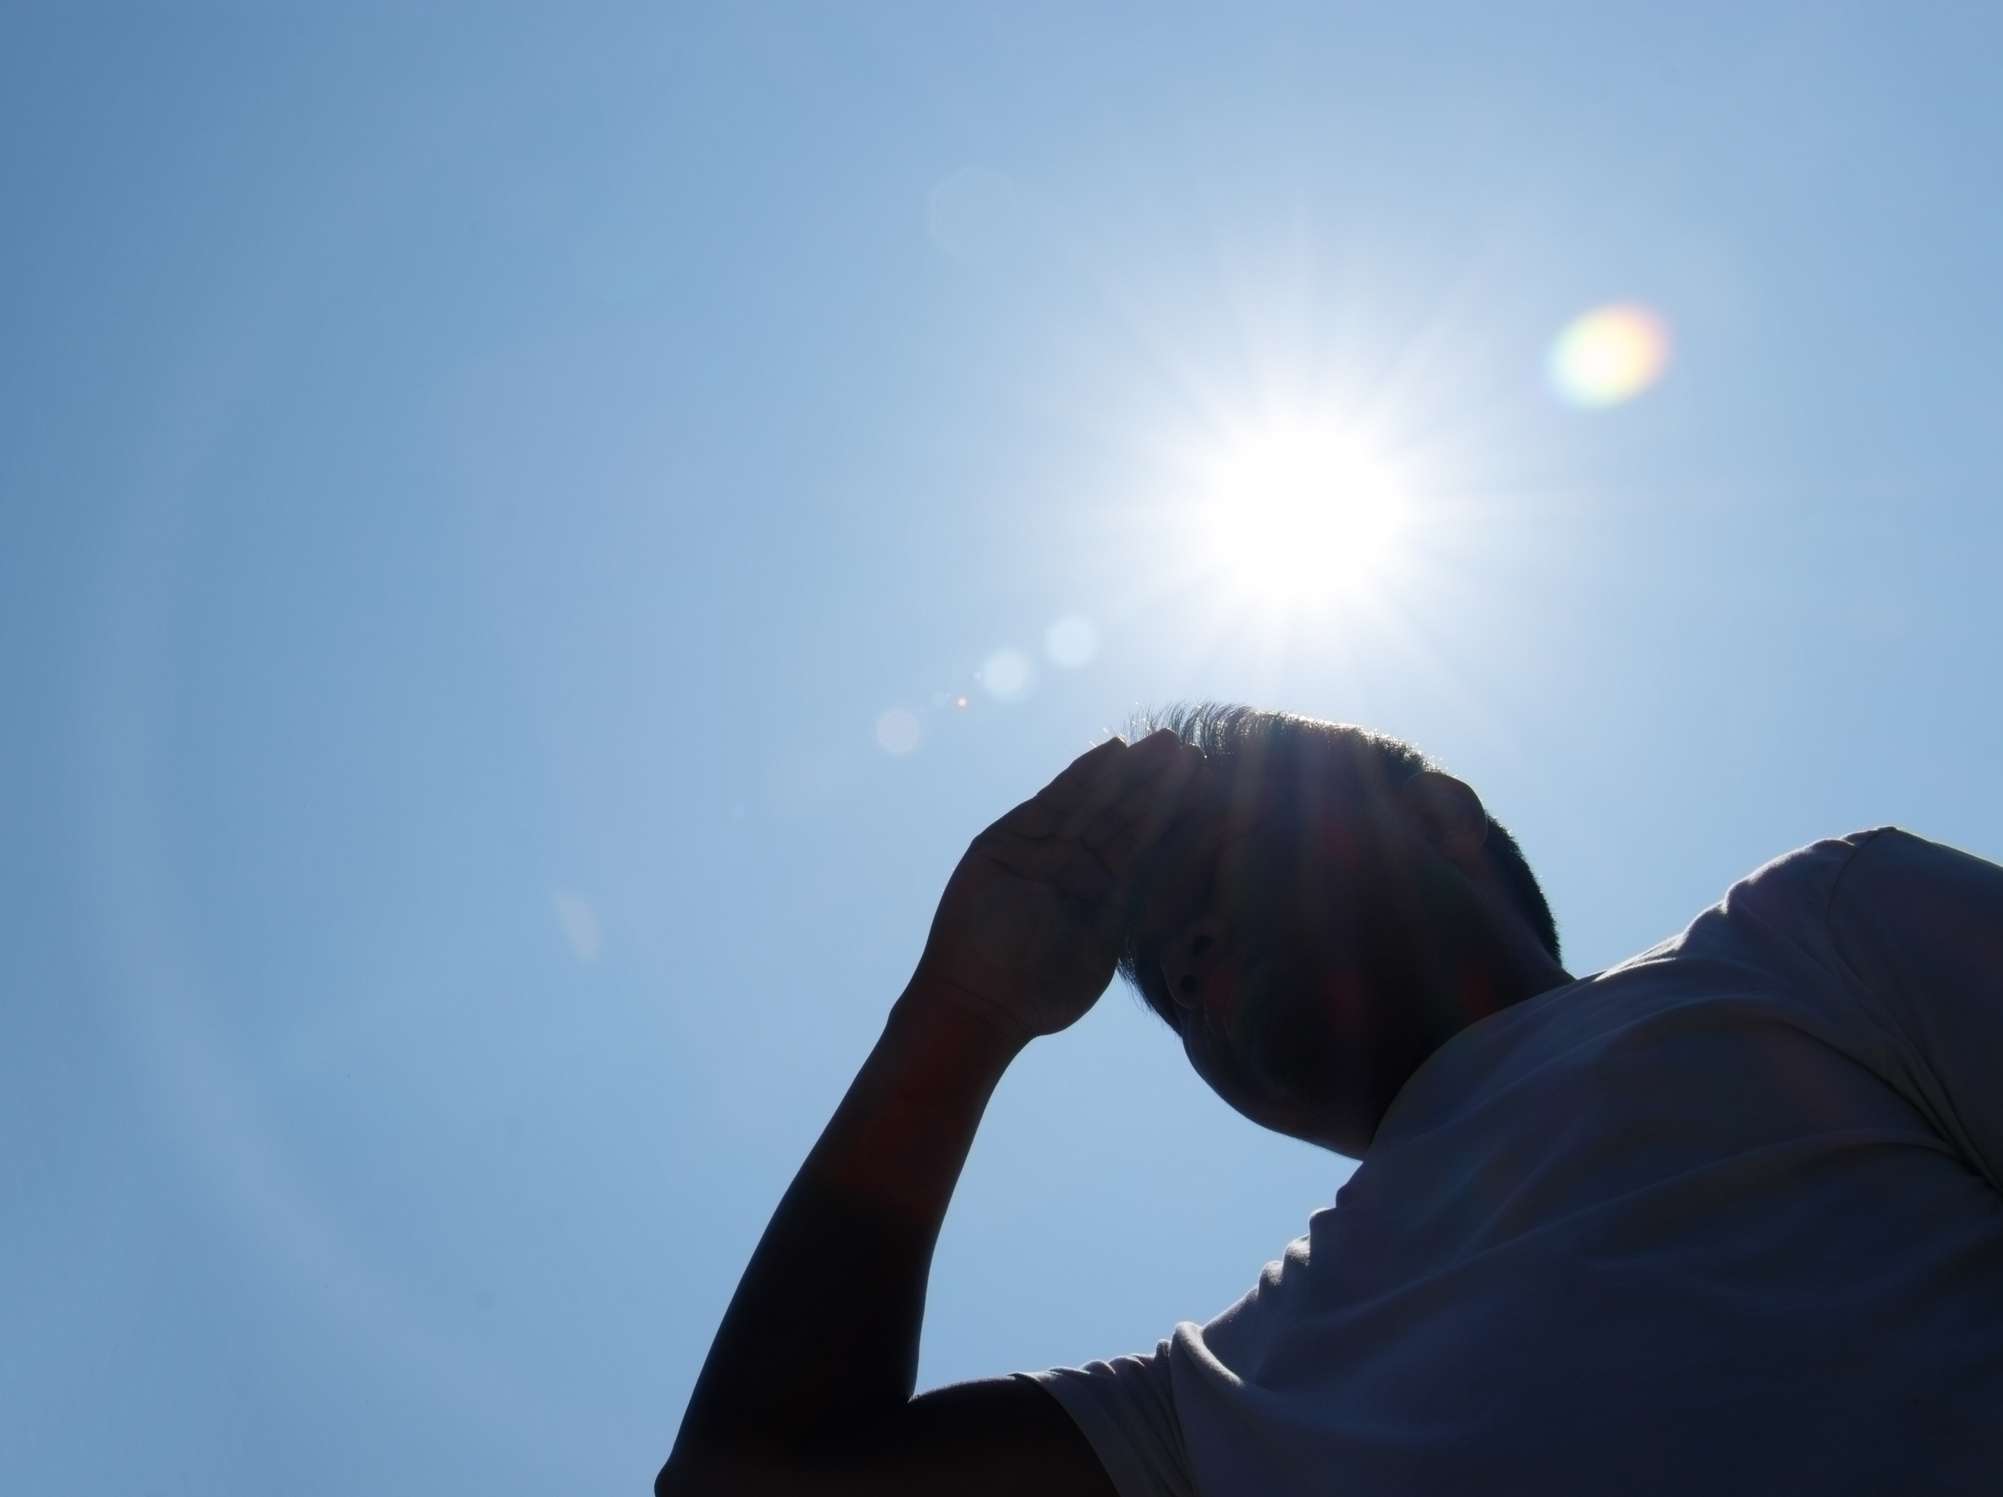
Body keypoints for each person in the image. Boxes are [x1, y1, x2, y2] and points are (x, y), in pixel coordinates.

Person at [657, 705, 2003, 1496]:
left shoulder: (1811, 940)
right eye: (1164, 972)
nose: (1181, 943)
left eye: (1231, 857)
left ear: (1440, 818)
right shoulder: (1221, 1399)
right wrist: (960, 1014)